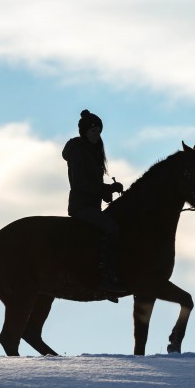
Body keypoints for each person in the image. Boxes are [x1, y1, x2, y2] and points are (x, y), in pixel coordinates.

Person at [62, 109, 127, 297]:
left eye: (99, 132)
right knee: (111, 228)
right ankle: (106, 277)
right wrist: (106, 190)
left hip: (92, 205)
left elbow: (92, 184)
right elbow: (81, 182)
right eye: (93, 131)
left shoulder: (91, 152)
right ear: (84, 132)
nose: (97, 135)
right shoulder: (78, 151)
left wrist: (108, 190)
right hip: (81, 207)